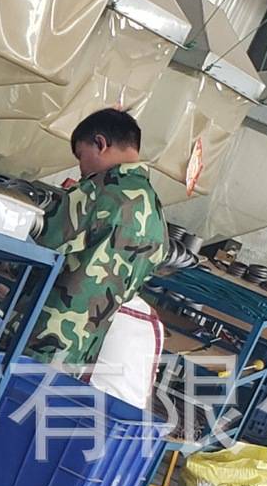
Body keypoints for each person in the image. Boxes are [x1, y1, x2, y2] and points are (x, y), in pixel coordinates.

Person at [28, 106, 167, 373]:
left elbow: (41, 244)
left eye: (81, 155)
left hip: (41, 335)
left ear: (100, 144)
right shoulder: (156, 213)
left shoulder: (97, 190)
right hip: (84, 352)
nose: (81, 168)